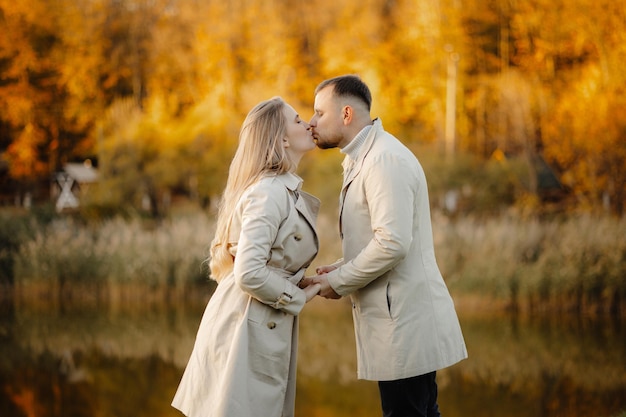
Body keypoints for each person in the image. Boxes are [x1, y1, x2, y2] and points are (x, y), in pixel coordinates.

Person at [302, 75, 468, 417]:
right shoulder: (364, 157)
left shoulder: (383, 160)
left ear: (346, 114)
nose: (312, 122)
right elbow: (379, 237)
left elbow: (392, 244)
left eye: (319, 113)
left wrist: (339, 281)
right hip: (398, 320)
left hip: (405, 323)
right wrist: (340, 266)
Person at [172, 97, 321, 417]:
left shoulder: (279, 188)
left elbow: (269, 261)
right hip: (245, 323)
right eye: (297, 120)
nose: (308, 123)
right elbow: (250, 272)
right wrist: (297, 294)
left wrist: (302, 278)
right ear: (280, 138)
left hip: (258, 317)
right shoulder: (267, 191)